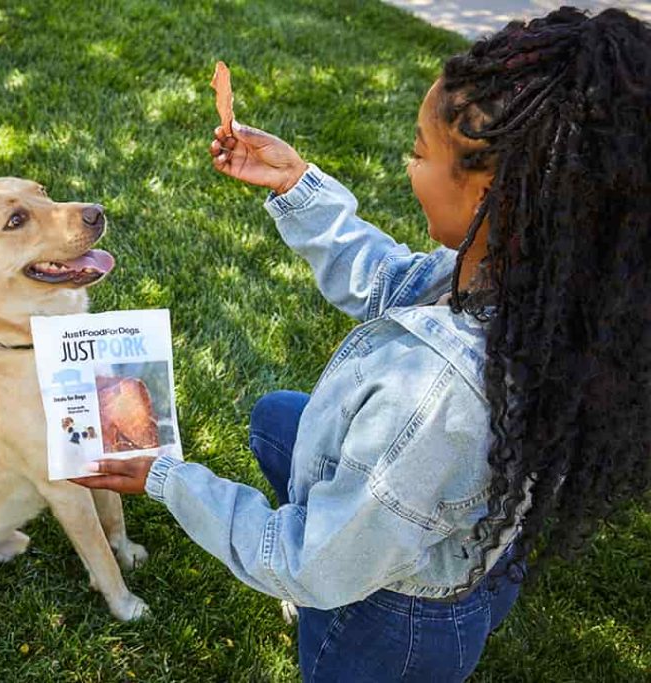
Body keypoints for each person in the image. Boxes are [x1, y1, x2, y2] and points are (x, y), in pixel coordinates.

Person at [72, 8, 651, 681]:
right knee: (276, 417)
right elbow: (394, 280)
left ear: (495, 195)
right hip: (461, 540)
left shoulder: (434, 395)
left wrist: (164, 476)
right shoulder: (528, 281)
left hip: (389, 625)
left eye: (418, 150)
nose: (407, 165)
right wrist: (297, 186)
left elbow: (308, 562)